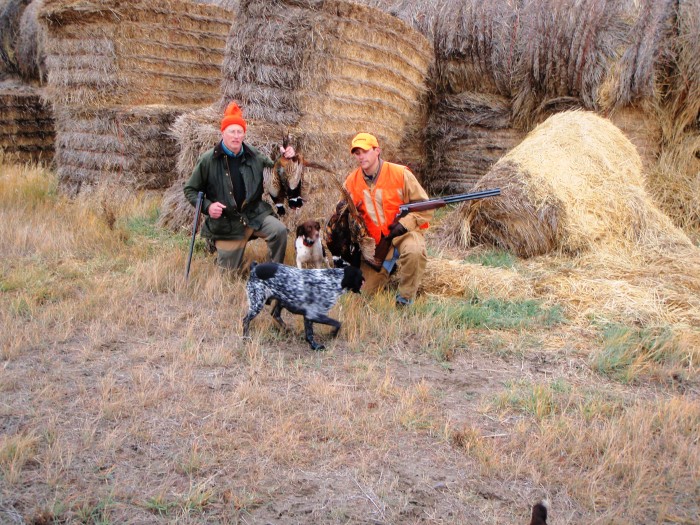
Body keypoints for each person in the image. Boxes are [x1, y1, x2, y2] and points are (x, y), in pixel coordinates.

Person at [184, 102, 296, 271]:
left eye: (239, 131)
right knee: (229, 273)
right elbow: (190, 190)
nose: (236, 136)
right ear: (223, 133)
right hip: (226, 222)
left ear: (244, 134)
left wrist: (287, 159)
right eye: (232, 131)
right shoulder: (208, 160)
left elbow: (276, 174)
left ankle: (272, 272)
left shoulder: (255, 155)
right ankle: (240, 263)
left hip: (254, 214)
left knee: (279, 231)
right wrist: (208, 206)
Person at [342, 132, 433, 306]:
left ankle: (405, 299)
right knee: (362, 297)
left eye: (365, 151)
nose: (361, 157)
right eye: (357, 153)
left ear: (377, 150)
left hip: (404, 234)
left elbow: (425, 206)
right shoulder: (351, 182)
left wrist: (404, 224)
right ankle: (388, 269)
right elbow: (344, 217)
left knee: (415, 250)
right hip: (376, 244)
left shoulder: (400, 174)